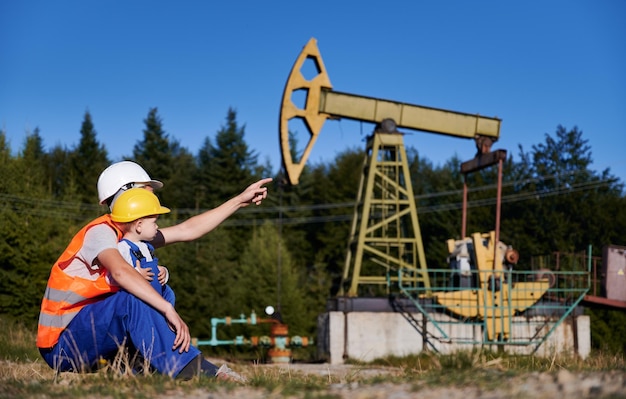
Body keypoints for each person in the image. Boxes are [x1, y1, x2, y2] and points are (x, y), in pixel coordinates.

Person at [37, 160, 271, 381]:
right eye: (147, 189)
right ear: (126, 193)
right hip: (63, 345)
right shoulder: (100, 233)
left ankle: (138, 368)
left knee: (158, 289)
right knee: (134, 297)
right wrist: (167, 309)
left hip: (93, 335)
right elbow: (120, 272)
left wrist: (240, 200)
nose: (153, 196)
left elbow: (186, 230)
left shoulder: (133, 235)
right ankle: (193, 369)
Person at [109, 187, 175, 305]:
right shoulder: (122, 248)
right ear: (139, 225)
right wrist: (135, 274)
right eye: (154, 223)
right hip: (136, 308)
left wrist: (162, 272)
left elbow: (151, 270)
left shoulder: (146, 247)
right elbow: (111, 278)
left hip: (152, 303)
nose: (157, 227)